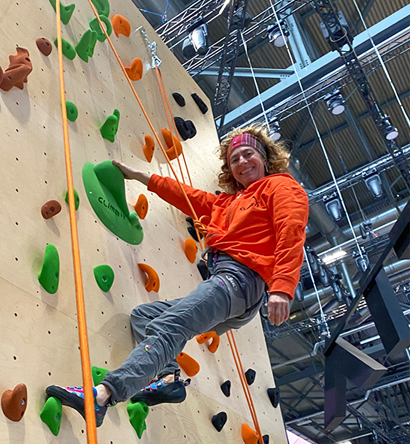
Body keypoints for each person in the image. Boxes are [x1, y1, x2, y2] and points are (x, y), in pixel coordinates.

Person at [46, 125, 309, 427]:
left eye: (248, 154)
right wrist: (140, 176)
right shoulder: (227, 203)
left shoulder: (281, 187)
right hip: (228, 282)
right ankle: (168, 379)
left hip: (241, 281)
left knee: (170, 326)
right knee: (145, 316)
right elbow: (187, 196)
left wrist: (283, 288)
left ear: (264, 157)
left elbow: (291, 232)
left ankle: (103, 395)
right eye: (234, 159)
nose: (242, 163)